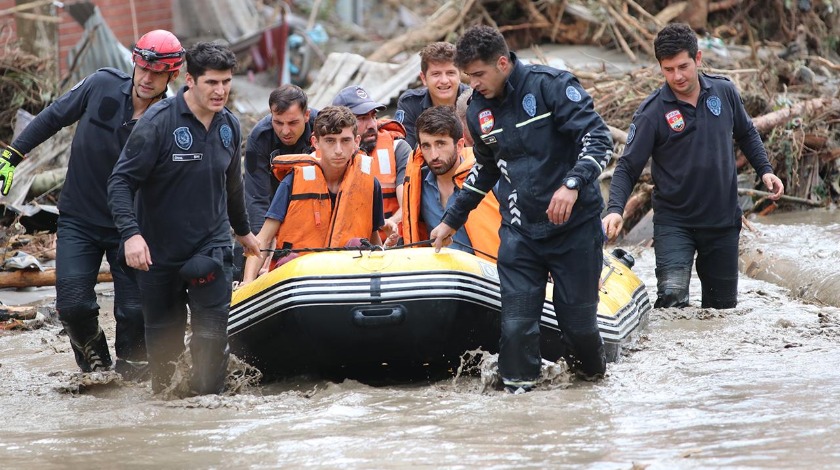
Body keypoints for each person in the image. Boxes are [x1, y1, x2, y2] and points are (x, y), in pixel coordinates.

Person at [428, 25, 614, 392]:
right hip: (520, 232)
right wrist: (451, 219)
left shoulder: (552, 86)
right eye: (469, 77)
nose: (473, 84)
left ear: (502, 62)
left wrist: (572, 185)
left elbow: (598, 139)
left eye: (479, 75)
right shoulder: (478, 109)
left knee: (578, 327)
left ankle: (591, 390)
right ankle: (519, 405)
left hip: (574, 228)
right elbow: (485, 169)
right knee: (514, 326)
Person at [0, 30, 185, 379]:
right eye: (142, 68)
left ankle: (132, 374)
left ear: (172, 75)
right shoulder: (100, 84)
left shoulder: (172, 118)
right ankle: (96, 365)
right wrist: (12, 154)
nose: (146, 78)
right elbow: (52, 118)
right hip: (79, 218)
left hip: (132, 228)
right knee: (72, 305)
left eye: (156, 73)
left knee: (134, 311)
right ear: (134, 62)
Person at [108, 42, 260, 395]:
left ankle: (209, 414)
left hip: (211, 245)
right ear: (189, 80)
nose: (220, 90)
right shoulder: (157, 123)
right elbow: (120, 181)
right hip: (158, 253)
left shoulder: (230, 126)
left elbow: (232, 184)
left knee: (211, 338)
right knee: (164, 352)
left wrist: (243, 231)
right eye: (211, 82)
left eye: (226, 82)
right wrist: (131, 235)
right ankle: (169, 420)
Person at [602, 23, 784, 309]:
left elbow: (747, 132)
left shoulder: (723, 92)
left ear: (698, 59)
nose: (677, 76)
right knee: (673, 300)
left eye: (683, 66)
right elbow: (627, 166)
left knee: (722, 310)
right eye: (668, 69)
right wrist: (614, 210)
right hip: (675, 223)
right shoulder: (652, 113)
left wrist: (766, 170)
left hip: (722, 221)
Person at [241, 106, 386, 284]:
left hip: (348, 278)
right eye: (330, 141)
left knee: (357, 244)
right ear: (315, 142)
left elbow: (373, 239)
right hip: (302, 280)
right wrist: (247, 282)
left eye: (345, 141)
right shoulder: (293, 182)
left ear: (357, 142)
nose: (339, 150)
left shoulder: (371, 184)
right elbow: (263, 238)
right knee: (289, 261)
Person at [402, 105, 500, 261]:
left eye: (441, 144)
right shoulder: (417, 184)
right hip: (441, 279)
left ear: (460, 145)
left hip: (490, 277)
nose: (434, 155)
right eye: (426, 146)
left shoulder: (488, 175)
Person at [331, 85, 410, 240]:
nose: (372, 125)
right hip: (345, 246)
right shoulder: (326, 156)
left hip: (392, 244)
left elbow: (407, 203)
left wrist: (389, 223)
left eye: (373, 116)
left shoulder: (398, 148)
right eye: (362, 118)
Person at [244, 84, 317, 234]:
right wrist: (261, 245)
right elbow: (256, 198)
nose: (285, 131)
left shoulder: (324, 128)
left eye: (292, 123)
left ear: (306, 115)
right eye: (278, 122)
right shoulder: (259, 138)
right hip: (275, 209)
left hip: (317, 207)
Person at [395, 42, 471, 149]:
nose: (444, 80)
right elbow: (404, 149)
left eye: (450, 73)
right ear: (424, 78)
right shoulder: (411, 102)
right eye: (436, 74)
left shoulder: (473, 100)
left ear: (459, 75)